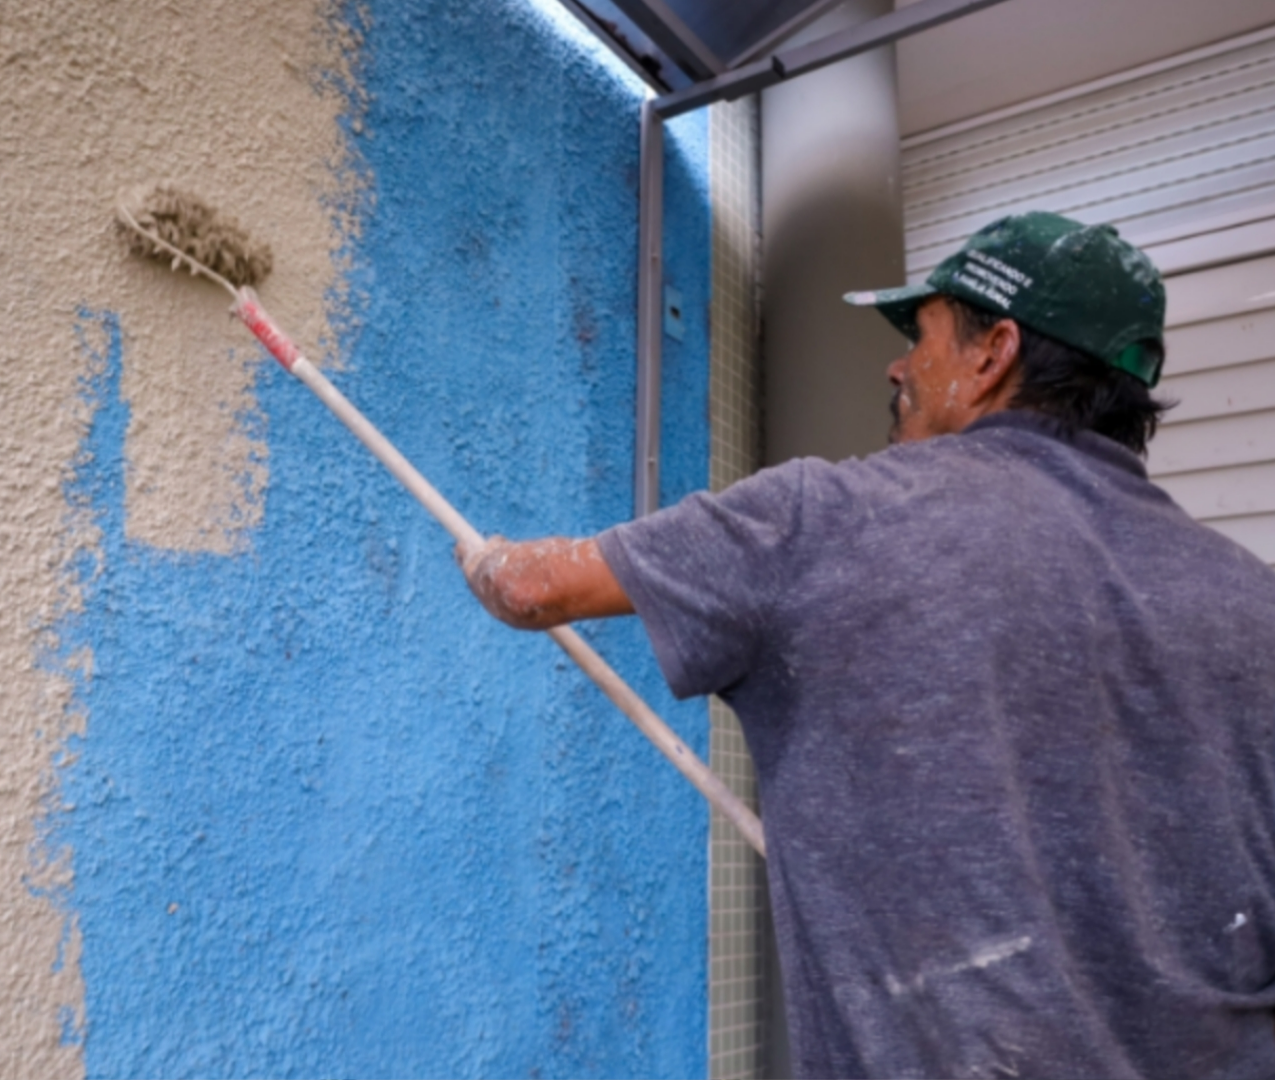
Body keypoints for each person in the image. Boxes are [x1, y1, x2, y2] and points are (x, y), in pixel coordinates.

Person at [457, 211, 1275, 1079]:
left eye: (920, 338)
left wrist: (483, 555)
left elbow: (533, 588)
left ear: (992, 353)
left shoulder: (827, 518)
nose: (896, 366)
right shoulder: (1253, 601)